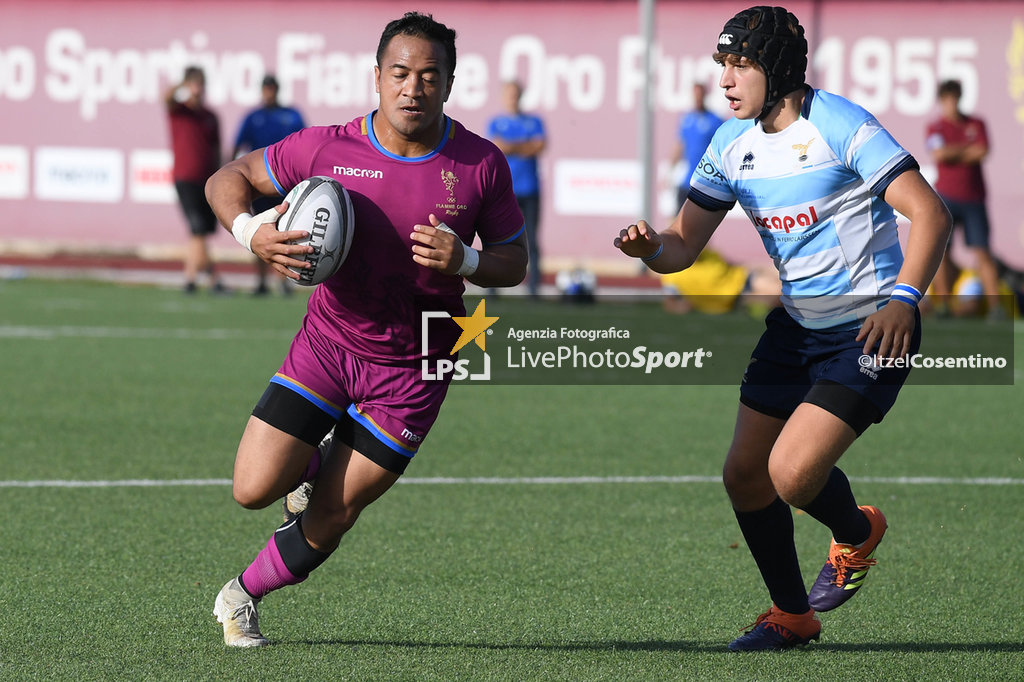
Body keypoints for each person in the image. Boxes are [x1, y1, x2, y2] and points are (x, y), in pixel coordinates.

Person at [614, 6, 951, 651]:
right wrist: (650, 249)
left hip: (871, 329)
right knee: (744, 475)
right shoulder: (729, 144)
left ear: (779, 69)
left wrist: (904, 299)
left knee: (792, 475)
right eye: (724, 66)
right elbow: (684, 245)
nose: (727, 81)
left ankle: (856, 532)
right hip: (795, 329)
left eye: (740, 66)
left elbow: (930, 213)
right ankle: (792, 615)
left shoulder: (841, 125)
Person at [204, 12, 527, 647]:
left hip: (423, 360)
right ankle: (308, 466)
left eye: (429, 76)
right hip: (329, 343)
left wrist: (465, 260)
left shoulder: (480, 163)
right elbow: (228, 180)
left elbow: (514, 263)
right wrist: (253, 234)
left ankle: (243, 593)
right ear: (376, 78)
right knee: (252, 490)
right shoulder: (327, 148)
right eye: (400, 74)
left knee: (334, 511)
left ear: (450, 83)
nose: (414, 88)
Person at [925, 80, 1001, 319]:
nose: (951, 104)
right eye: (946, 99)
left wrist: (953, 152)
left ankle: (996, 308)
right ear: (941, 101)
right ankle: (943, 305)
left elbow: (983, 151)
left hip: (974, 198)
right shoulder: (936, 127)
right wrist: (966, 150)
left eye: (954, 98)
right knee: (942, 253)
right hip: (946, 198)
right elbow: (939, 153)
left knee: (983, 252)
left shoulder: (976, 123)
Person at [232, 74, 307, 296]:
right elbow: (237, 147)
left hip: (285, 185)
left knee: (285, 232)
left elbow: (305, 143)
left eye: (272, 89)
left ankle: (282, 280)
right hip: (258, 186)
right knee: (258, 231)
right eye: (266, 89)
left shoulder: (291, 115)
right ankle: (261, 281)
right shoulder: (253, 117)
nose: (269, 93)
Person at [166, 66, 226, 294]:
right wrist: (183, 85)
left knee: (198, 233)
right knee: (198, 229)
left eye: (201, 84)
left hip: (207, 179)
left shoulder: (210, 116)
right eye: (195, 83)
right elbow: (165, 97)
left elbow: (216, 149)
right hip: (185, 177)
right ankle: (213, 279)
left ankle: (191, 278)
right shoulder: (179, 111)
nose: (198, 89)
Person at [486, 80, 546, 297]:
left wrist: (512, 146)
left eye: (516, 94)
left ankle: (534, 288)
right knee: (495, 238)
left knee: (532, 240)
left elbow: (539, 146)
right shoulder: (496, 122)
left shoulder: (534, 121)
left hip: (530, 190)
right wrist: (523, 146)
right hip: (504, 191)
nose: (512, 98)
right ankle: (492, 289)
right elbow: (497, 147)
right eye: (509, 94)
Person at [669, 83, 724, 212]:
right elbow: (681, 144)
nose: (698, 98)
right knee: (678, 222)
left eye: (700, 95)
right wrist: (670, 169)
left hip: (705, 182)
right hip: (686, 182)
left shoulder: (715, 120)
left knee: (700, 227)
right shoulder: (687, 119)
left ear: (705, 96)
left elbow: (723, 149)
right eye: (695, 95)